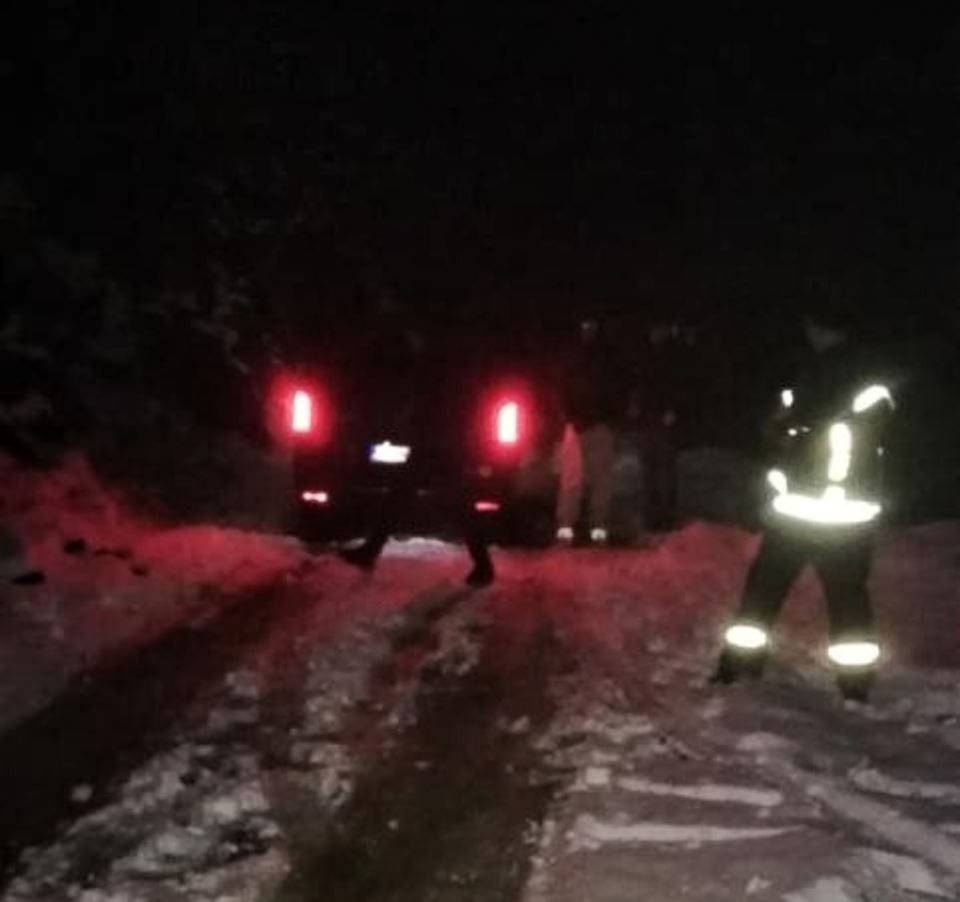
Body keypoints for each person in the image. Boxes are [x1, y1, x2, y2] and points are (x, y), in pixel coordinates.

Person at [713, 308, 895, 702]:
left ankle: (738, 668)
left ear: (817, 327)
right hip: (852, 516)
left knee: (764, 590)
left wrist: (783, 432)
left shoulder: (818, 375)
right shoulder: (874, 380)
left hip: (802, 511)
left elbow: (788, 433)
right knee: (848, 599)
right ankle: (856, 685)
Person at [338, 296, 496, 586]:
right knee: (414, 496)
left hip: (438, 443)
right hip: (437, 441)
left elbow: (440, 404)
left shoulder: (439, 364)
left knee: (449, 502)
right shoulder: (441, 361)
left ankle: (483, 565)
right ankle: (372, 550)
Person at [554, 317, 628, 545]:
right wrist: (570, 416)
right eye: (585, 327)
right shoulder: (573, 357)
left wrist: (611, 419)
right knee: (573, 480)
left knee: (600, 481)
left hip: (599, 426)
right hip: (578, 426)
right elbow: (561, 388)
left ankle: (597, 528)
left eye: (592, 327)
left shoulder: (607, 358)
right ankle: (567, 527)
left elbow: (617, 388)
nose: (589, 332)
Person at [630, 319, 686, 531]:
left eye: (658, 329)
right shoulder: (646, 355)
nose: (655, 333)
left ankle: (666, 518)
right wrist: (635, 409)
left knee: (663, 470)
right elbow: (639, 386)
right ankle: (653, 518)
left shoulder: (670, 355)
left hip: (662, 420)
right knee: (650, 470)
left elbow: (677, 386)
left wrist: (671, 410)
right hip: (648, 420)